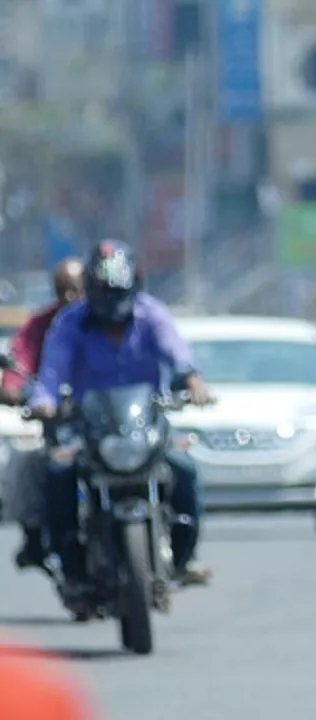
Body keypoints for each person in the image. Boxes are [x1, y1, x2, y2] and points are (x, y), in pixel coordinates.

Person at [29, 240, 213, 588]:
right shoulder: (71, 323)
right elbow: (52, 372)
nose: (112, 299)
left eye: (118, 290)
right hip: (91, 430)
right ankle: (72, 569)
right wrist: (44, 401)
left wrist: (193, 380)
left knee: (185, 470)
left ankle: (183, 557)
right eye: (104, 290)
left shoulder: (151, 314)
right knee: (58, 475)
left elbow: (176, 350)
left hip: (147, 427)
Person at [0, 259, 84, 570]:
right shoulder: (41, 325)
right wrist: (15, 388)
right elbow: (21, 360)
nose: (70, 299)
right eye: (63, 291)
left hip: (106, 426)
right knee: (29, 467)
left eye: (77, 290)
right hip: (61, 427)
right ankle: (36, 539)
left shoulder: (104, 322)